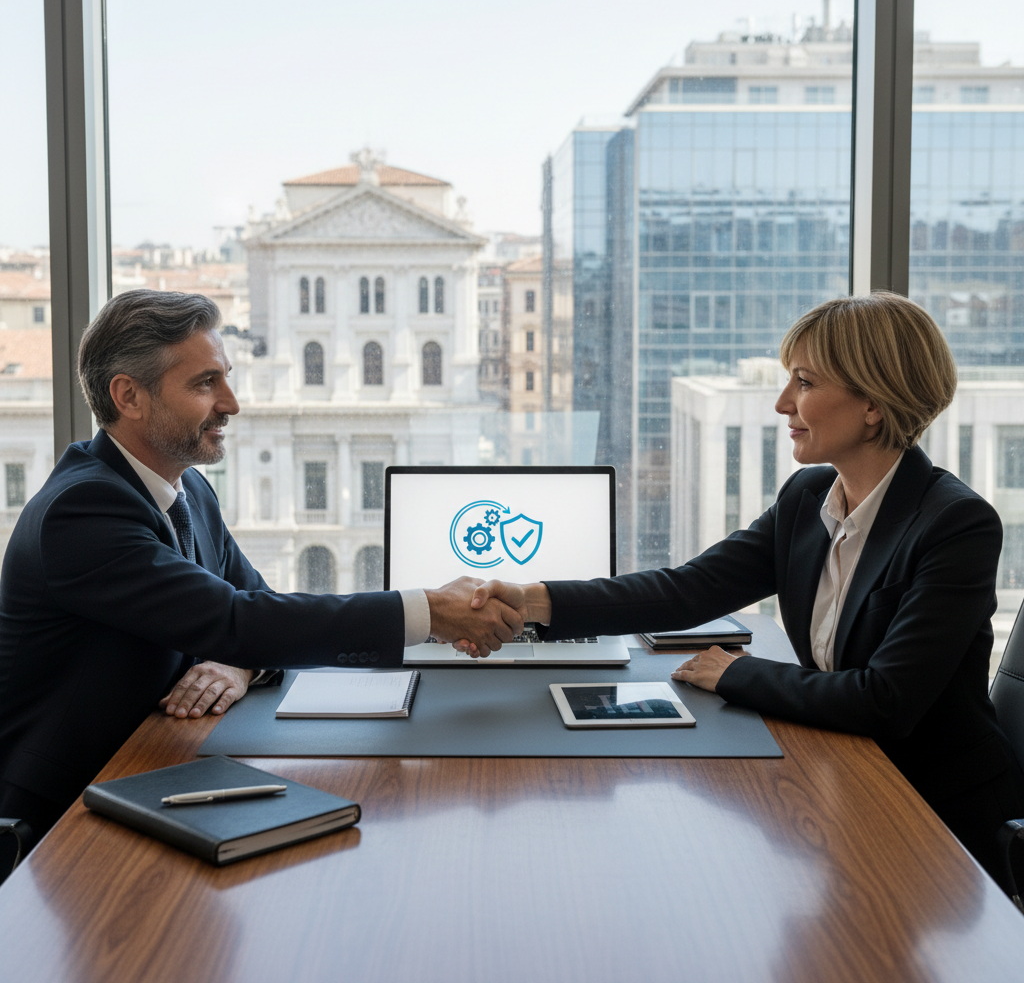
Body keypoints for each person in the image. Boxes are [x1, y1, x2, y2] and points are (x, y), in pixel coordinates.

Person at [471, 292, 1024, 892]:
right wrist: (529, 601)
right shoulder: (807, 497)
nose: (784, 402)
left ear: (872, 403)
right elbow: (688, 590)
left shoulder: (955, 524)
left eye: (805, 382)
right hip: (846, 772)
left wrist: (733, 672)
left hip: (935, 816)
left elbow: (884, 701)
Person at [0, 289, 522, 847]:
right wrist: (429, 612)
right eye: (205, 384)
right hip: (63, 819)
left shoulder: (189, 489)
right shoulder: (81, 512)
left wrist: (240, 664)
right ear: (129, 396)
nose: (232, 403)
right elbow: (239, 620)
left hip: (152, 774)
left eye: (225, 378)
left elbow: (253, 608)